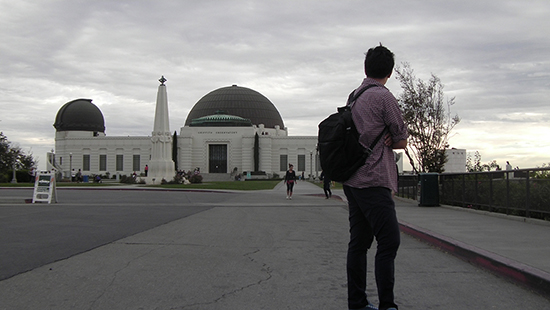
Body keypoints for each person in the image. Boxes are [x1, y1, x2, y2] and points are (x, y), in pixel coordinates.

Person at [343, 44, 408, 310]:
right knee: (389, 240)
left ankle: (357, 302)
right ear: (390, 72)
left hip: (352, 179)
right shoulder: (384, 97)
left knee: (359, 243)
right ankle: (387, 305)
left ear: (365, 68)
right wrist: (394, 139)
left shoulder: (354, 96)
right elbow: (401, 139)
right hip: (374, 179)